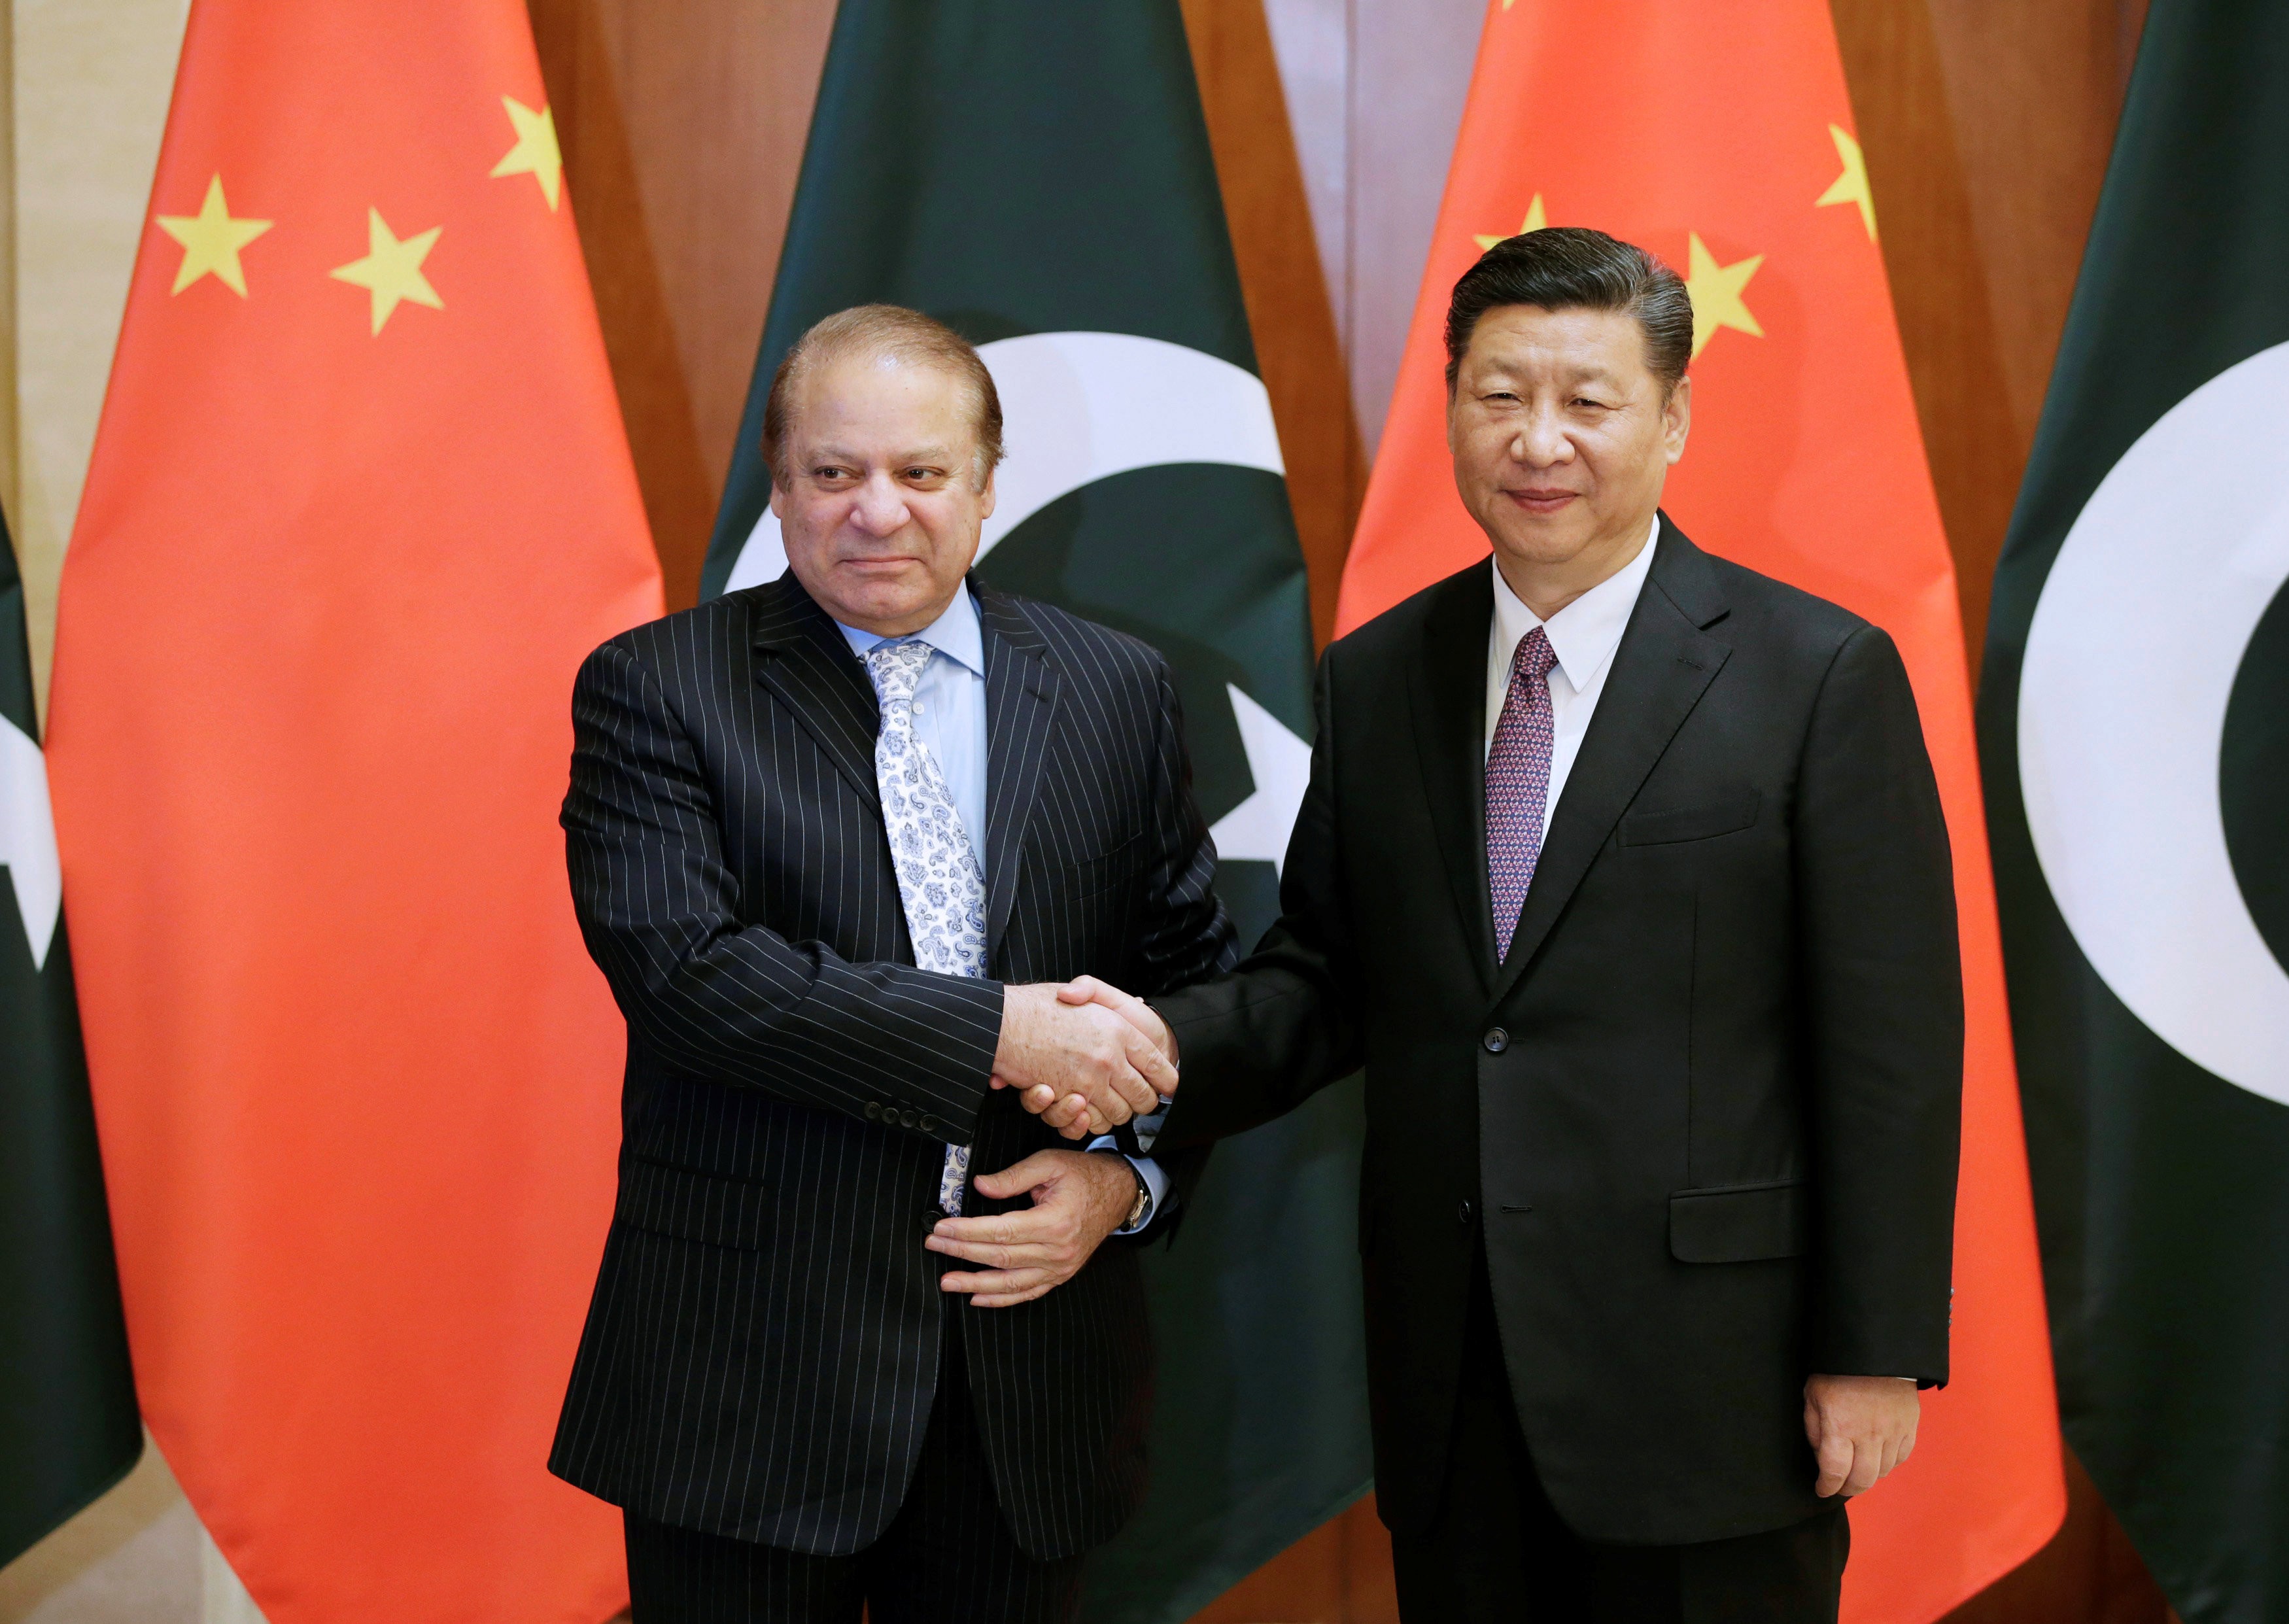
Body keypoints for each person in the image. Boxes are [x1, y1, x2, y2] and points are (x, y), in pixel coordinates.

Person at [1065, 227, 1963, 1622]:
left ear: (1671, 420)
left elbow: (1890, 1045)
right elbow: (1323, 979)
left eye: (1586, 400)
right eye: (1498, 396)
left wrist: (1876, 1350)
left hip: (1712, 1382)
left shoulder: (1815, 673)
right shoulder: (1377, 677)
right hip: (1454, 1374)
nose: (1538, 440)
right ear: (1450, 411)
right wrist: (1142, 1053)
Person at [548, 303, 1235, 1623]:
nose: (878, 512)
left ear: (983, 487)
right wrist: (1002, 1035)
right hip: (747, 1385)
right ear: (781, 481)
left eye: (920, 473)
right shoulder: (656, 688)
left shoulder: (1117, 688)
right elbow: (691, 978)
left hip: (1027, 1391)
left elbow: (1195, 991)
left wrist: (1125, 1182)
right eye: (834, 473)